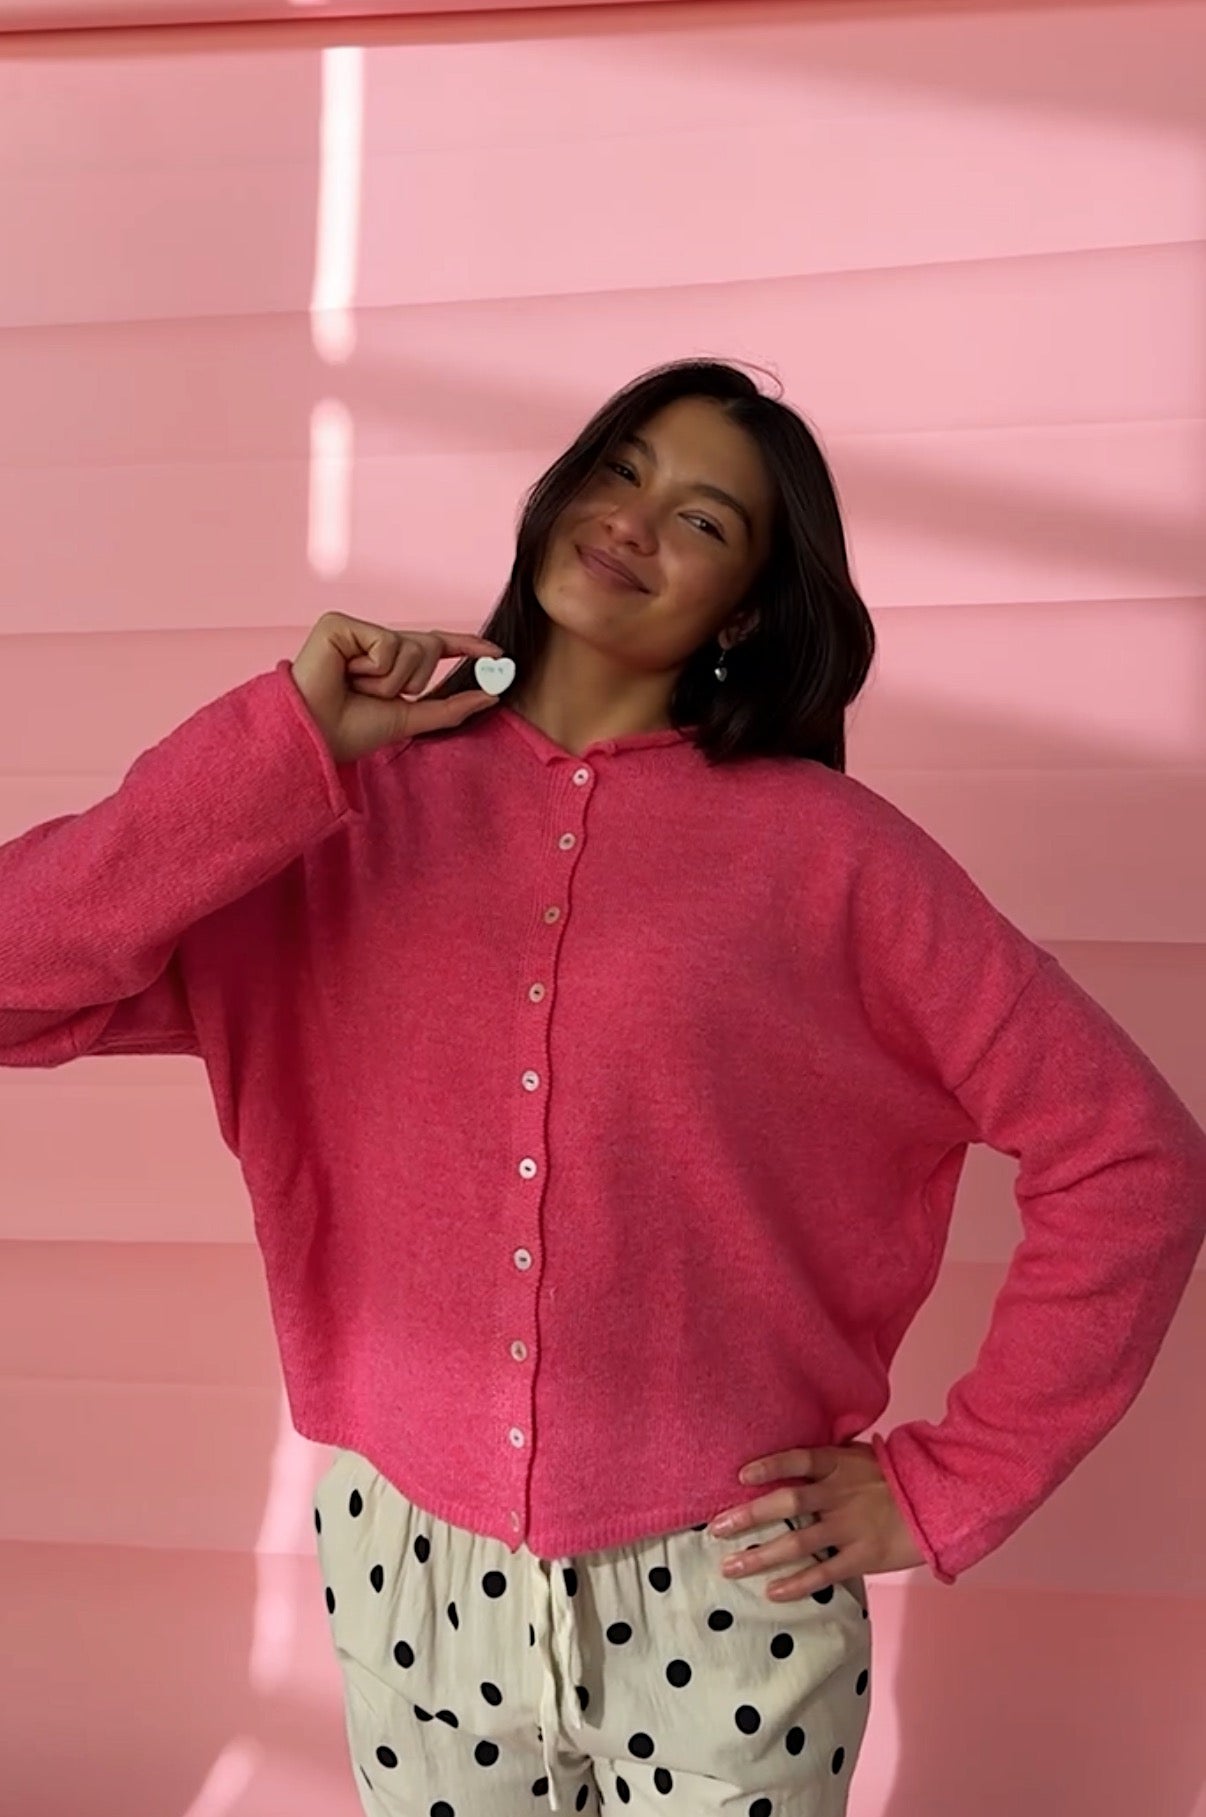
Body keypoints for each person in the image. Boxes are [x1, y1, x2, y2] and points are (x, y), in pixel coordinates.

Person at [2, 358, 1204, 1817]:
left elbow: (1131, 1155)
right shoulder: (328, 817)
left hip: (731, 1580)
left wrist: (954, 1480)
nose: (633, 520)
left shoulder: (835, 860)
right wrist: (284, 743)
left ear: (745, 610)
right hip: (411, 1571)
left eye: (702, 519)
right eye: (620, 470)